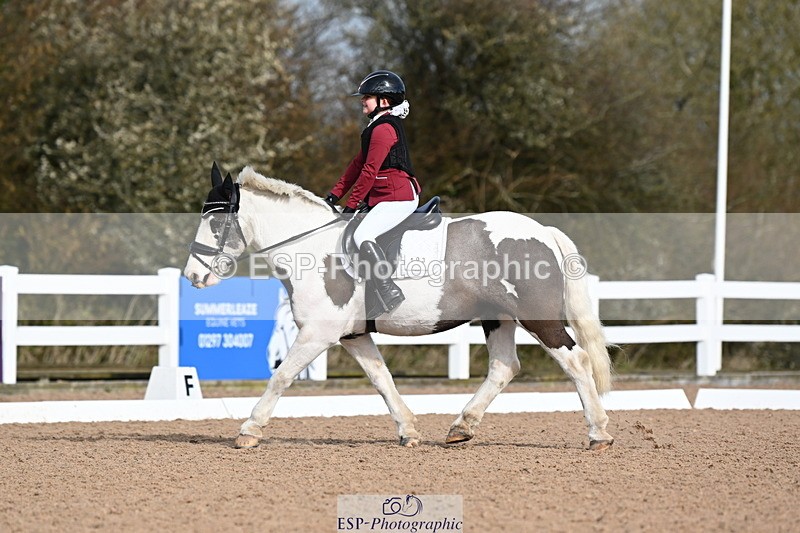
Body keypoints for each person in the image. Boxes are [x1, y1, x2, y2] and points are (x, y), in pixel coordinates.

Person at [325, 70, 421, 317]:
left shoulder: (384, 129)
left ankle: (389, 290)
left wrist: (350, 206)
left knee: (363, 233)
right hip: (384, 196)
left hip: (399, 197)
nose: (362, 101)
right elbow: (357, 165)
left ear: (384, 101)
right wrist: (333, 196)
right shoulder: (374, 127)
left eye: (367, 97)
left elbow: (369, 171)